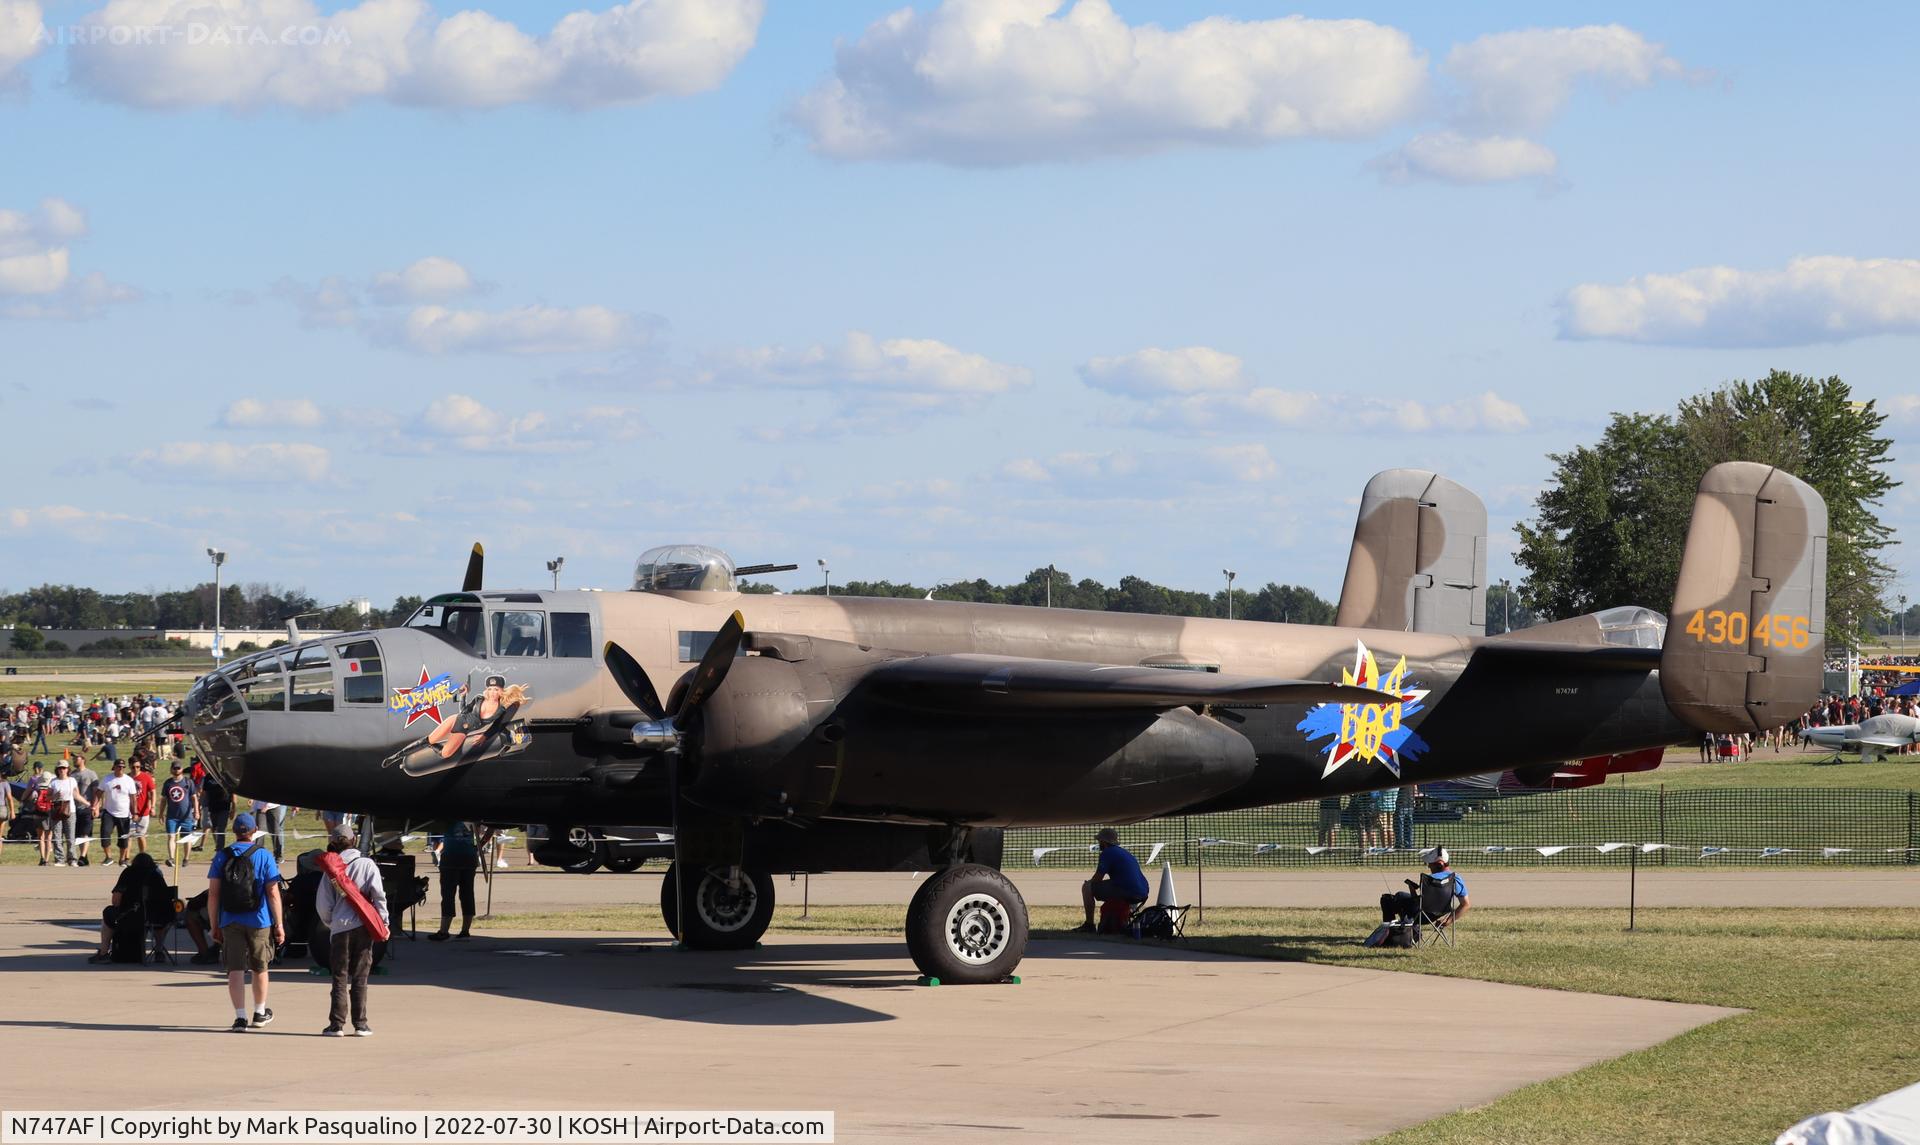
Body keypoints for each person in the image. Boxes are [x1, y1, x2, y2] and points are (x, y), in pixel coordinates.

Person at [206, 813, 285, 1033]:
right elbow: (273, 892)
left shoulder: (222, 856)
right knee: (260, 967)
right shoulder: (264, 855)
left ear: (234, 832)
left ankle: (240, 1017)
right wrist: (278, 924)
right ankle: (259, 1012)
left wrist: (214, 925)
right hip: (259, 919)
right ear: (253, 832)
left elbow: (213, 894)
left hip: (230, 918)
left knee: (235, 969)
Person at [315, 826, 388, 1036]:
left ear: (333, 842)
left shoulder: (331, 868)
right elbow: (379, 896)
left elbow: (323, 904)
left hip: (340, 929)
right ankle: (361, 1024)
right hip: (364, 927)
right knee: (360, 976)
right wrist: (383, 922)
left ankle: (336, 1024)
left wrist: (332, 922)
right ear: (353, 840)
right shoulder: (367, 864)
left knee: (339, 976)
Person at [88, 852, 171, 963]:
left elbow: (116, 900)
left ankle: (103, 953)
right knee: (162, 917)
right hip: (156, 917)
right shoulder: (156, 875)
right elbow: (166, 900)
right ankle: (159, 951)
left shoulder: (128, 873)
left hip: (131, 916)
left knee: (108, 913)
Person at [1075, 827, 1150, 933]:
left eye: (1099, 840)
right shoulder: (1123, 852)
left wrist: (1089, 883)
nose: (1098, 843)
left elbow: (1097, 878)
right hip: (1143, 891)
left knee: (1087, 887)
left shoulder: (1107, 853)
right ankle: (1122, 922)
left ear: (1103, 842)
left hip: (1128, 891)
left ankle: (1089, 925)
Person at [1379, 845, 1471, 931]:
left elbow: (1418, 903)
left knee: (1391, 898)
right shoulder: (1456, 878)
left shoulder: (1429, 880)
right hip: (1436, 915)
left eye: (1430, 864)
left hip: (1419, 916)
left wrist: (1412, 888)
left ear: (1440, 864)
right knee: (1401, 896)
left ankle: (1389, 932)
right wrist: (1449, 920)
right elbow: (1465, 904)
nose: (1429, 866)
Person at [429, 820, 493, 940]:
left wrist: (480, 845)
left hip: (451, 859)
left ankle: (445, 931)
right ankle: (464, 931)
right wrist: (479, 845)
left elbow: (491, 828)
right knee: (466, 894)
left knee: (449, 894)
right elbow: (491, 828)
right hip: (467, 858)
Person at [96, 759, 138, 866]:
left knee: (123, 838)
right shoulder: (107, 779)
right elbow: (98, 794)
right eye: (119, 766)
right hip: (109, 812)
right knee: (105, 834)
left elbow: (133, 798)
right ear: (114, 767)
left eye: (123, 767)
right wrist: (94, 807)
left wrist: (135, 812)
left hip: (124, 813)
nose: (121, 768)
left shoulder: (129, 780)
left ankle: (122, 859)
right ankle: (108, 857)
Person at [162, 763, 200, 869]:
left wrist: (196, 811)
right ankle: (171, 858)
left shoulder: (188, 782)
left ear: (182, 769)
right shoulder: (168, 783)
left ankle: (186, 858)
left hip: (186, 816)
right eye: (174, 768)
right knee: (171, 836)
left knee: (187, 837)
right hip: (171, 816)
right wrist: (161, 813)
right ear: (171, 769)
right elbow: (164, 800)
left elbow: (194, 798)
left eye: (178, 768)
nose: (176, 770)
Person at [47, 760, 81, 866]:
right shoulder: (53, 782)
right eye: (60, 768)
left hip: (70, 810)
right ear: (57, 770)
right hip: (57, 810)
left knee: (70, 836)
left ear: (68, 769)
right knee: (57, 836)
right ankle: (59, 859)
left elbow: (76, 794)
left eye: (64, 768)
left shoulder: (72, 780)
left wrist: (87, 803)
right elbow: (47, 797)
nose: (62, 770)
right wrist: (54, 796)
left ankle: (72, 859)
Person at [131, 761, 156, 857]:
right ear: (130, 766)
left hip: (143, 811)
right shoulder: (127, 778)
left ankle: (142, 855)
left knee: (140, 835)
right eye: (133, 767)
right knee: (128, 836)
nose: (136, 769)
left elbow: (152, 792)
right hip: (130, 812)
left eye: (138, 767)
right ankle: (126, 858)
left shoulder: (146, 777)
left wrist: (152, 806)